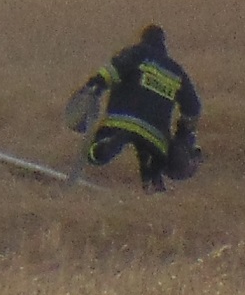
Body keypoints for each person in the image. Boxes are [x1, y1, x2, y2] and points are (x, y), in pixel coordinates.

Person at [75, 24, 202, 191]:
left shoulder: (137, 53)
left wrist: (94, 87)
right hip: (155, 135)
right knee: (152, 167)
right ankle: (153, 187)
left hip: (122, 122)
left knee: (93, 153)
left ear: (143, 39)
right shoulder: (176, 71)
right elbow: (193, 107)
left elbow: (112, 72)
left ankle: (109, 144)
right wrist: (183, 134)